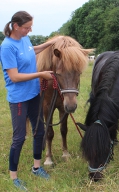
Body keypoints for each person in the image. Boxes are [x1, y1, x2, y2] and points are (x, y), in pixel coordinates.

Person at [0, 11, 62, 191]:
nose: (30, 30)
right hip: (19, 98)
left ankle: (36, 167)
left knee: (39, 131)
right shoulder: (7, 47)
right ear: (16, 27)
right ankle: (13, 177)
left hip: (34, 93)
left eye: (31, 26)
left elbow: (31, 50)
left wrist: (49, 43)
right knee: (19, 138)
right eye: (27, 27)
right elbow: (15, 76)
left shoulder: (24, 39)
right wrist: (41, 74)